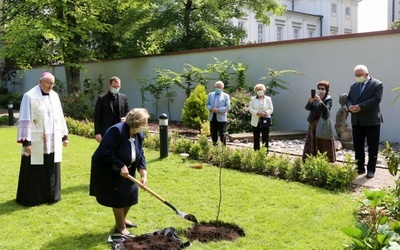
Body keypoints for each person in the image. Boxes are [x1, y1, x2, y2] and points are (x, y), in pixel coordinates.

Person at [90, 108, 149, 236]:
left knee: (131, 193)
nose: (146, 126)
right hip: (108, 167)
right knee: (119, 195)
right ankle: (120, 226)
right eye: (144, 124)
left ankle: (123, 219)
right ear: (135, 124)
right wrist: (120, 165)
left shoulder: (139, 134)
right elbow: (105, 152)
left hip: (128, 167)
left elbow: (140, 153)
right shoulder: (116, 131)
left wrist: (143, 173)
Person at [16, 72, 69, 206]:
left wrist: (64, 135)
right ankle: (34, 197)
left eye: (53, 83)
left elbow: (60, 116)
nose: (51, 86)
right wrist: (26, 142)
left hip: (52, 139)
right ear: (41, 82)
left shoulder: (55, 96)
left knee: (51, 166)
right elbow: (25, 118)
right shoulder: (29, 96)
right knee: (35, 168)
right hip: (35, 140)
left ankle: (51, 196)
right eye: (48, 83)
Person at [346, 65, 383, 178]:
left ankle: (371, 170)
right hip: (356, 120)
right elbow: (348, 98)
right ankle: (359, 167)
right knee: (358, 145)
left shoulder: (377, 84)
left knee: (372, 146)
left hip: (371, 121)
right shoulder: (354, 85)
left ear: (366, 74)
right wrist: (349, 107)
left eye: (360, 75)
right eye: (356, 75)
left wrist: (360, 107)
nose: (358, 77)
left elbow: (376, 99)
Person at [302, 81, 336, 163]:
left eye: (322, 89)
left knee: (323, 141)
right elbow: (307, 108)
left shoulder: (328, 99)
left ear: (326, 90)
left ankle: (326, 160)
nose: (320, 90)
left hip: (323, 124)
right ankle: (310, 158)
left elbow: (326, 110)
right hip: (313, 123)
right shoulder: (314, 98)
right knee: (312, 141)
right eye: (319, 88)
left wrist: (320, 101)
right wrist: (310, 101)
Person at [94, 76, 129, 143]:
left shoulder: (124, 98)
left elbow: (127, 112)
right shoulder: (102, 99)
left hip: (120, 130)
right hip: (106, 131)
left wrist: (125, 117)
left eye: (118, 86)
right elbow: (97, 117)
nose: (116, 88)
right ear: (109, 85)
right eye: (114, 86)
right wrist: (97, 133)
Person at [249, 83, 274, 151]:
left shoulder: (268, 99)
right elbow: (250, 109)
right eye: (258, 90)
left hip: (265, 120)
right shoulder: (253, 99)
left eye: (260, 89)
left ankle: (265, 152)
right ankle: (256, 151)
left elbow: (271, 109)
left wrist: (265, 113)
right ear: (256, 91)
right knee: (256, 137)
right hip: (256, 121)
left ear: (263, 90)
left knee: (265, 137)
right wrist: (257, 113)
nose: (259, 91)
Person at [206, 80, 230, 145]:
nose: (218, 88)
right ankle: (214, 147)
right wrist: (211, 108)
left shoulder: (226, 96)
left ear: (222, 88)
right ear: (215, 87)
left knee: (222, 133)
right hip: (212, 116)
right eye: (217, 87)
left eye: (219, 87)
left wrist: (219, 110)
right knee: (213, 132)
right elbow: (207, 105)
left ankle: (223, 148)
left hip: (221, 118)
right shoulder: (210, 95)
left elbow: (227, 107)